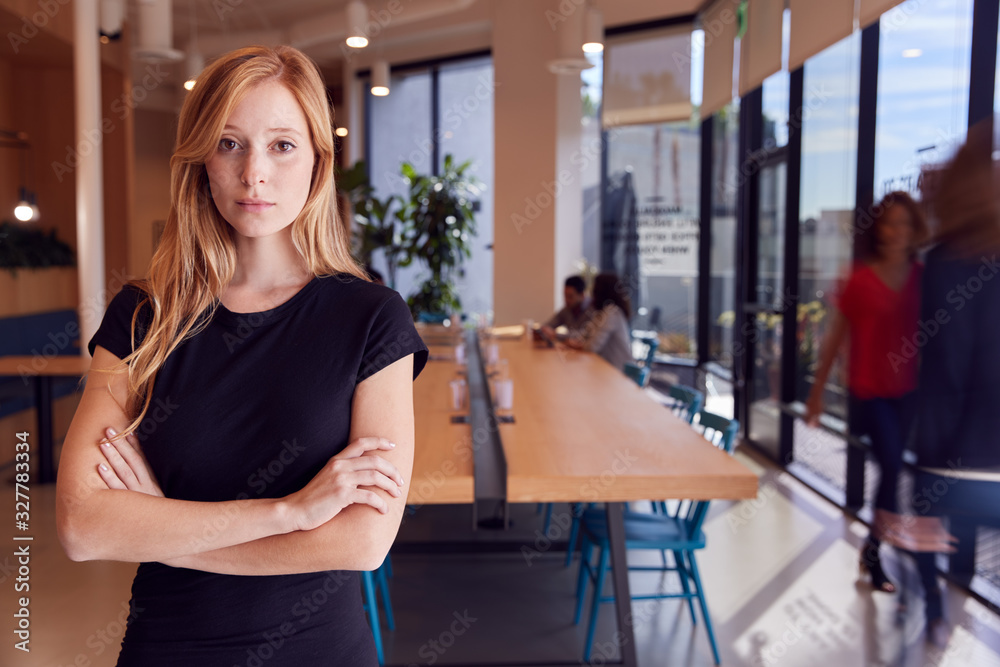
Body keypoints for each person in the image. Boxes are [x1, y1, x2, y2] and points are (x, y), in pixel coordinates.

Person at [55, 45, 428, 666]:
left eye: (282, 145)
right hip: (169, 650)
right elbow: (81, 525)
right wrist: (290, 511)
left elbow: (363, 541)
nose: (255, 173)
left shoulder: (370, 318)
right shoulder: (143, 316)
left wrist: (165, 531)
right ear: (202, 160)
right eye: (230, 144)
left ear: (317, 160)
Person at [805, 190, 928, 594]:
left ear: (914, 230)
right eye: (888, 222)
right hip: (869, 390)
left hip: (908, 391)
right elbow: (836, 335)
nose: (895, 231)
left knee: (892, 475)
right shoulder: (858, 278)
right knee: (892, 467)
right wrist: (817, 393)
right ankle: (876, 557)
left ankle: (874, 549)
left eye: (904, 223)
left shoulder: (923, 278)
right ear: (877, 229)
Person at [907, 125, 1000, 646]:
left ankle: (937, 620)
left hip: (956, 454)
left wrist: (930, 465)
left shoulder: (945, 262)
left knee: (936, 537)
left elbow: (948, 362)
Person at [563, 272, 633, 372]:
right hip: (606, 369)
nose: (592, 293)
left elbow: (592, 347)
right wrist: (573, 341)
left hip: (619, 372)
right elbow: (583, 335)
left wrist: (577, 344)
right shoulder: (602, 313)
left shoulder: (612, 314)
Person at [539, 275, 592, 342]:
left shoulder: (593, 310)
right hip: (573, 350)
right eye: (565, 295)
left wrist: (556, 334)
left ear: (581, 295)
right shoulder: (567, 309)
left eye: (570, 296)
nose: (566, 300)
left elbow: (584, 335)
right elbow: (549, 325)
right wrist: (543, 330)